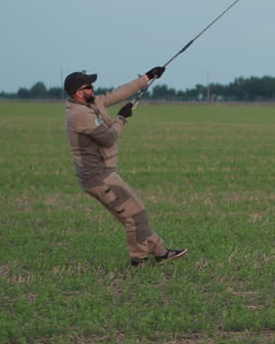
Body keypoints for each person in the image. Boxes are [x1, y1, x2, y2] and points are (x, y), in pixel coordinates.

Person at [64, 67, 187, 266]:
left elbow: (118, 93)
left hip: (101, 174)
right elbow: (108, 138)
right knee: (134, 215)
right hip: (98, 177)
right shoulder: (79, 114)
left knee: (136, 214)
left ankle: (160, 252)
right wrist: (121, 119)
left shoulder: (91, 103)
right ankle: (139, 260)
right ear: (79, 92)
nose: (93, 88)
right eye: (89, 86)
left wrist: (147, 77)